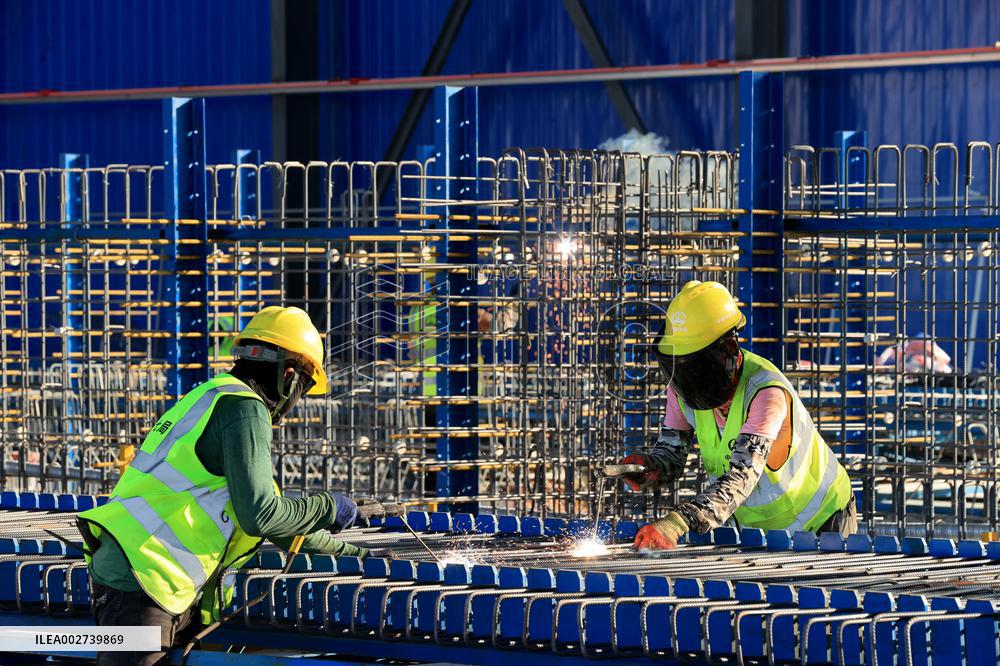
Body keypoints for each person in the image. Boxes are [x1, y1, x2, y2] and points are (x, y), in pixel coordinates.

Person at [77, 306, 369, 665]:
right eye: (304, 387)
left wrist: (359, 556)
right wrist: (329, 506)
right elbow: (261, 515)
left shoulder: (213, 396)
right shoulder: (244, 409)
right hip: (143, 580)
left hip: (147, 580)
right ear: (289, 374)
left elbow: (280, 525)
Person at [620, 281, 857, 550]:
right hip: (765, 532)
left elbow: (741, 478)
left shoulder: (766, 392)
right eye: (683, 367)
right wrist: (650, 468)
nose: (690, 377)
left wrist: (677, 523)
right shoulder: (683, 388)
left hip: (823, 520)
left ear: (729, 348)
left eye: (698, 366)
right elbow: (672, 455)